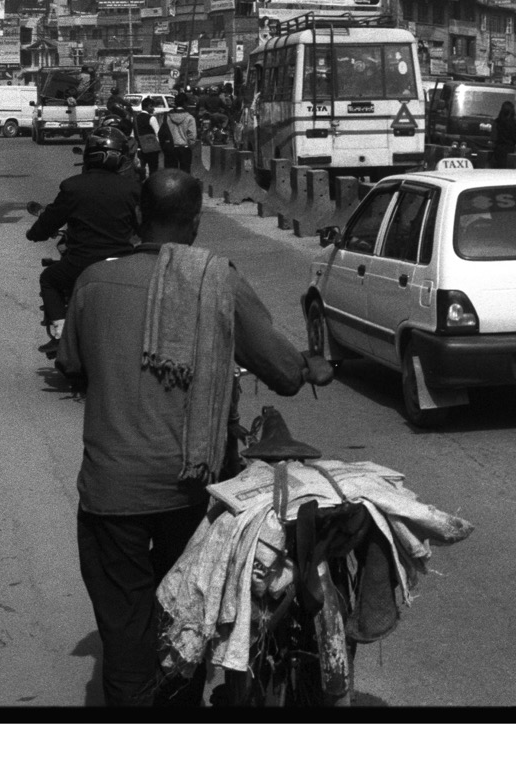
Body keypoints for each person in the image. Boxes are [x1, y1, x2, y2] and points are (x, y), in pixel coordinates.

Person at [58, 170, 333, 706]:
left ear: (139, 217)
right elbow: (282, 372)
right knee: (185, 629)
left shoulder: (92, 280)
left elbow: (72, 364)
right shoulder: (217, 281)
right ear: (195, 223)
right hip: (190, 492)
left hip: (111, 493)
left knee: (126, 641)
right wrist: (308, 367)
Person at [27, 125, 141, 348]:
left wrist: (35, 233)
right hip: (121, 263)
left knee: (48, 278)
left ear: (89, 155)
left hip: (81, 264)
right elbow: (142, 225)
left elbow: (49, 221)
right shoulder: (133, 189)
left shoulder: (73, 187)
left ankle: (60, 331)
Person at [162, 95, 198, 172]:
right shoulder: (190, 117)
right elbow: (192, 135)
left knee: (171, 173)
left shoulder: (167, 116)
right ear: (185, 103)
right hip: (185, 148)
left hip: (171, 147)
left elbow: (162, 132)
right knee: (185, 173)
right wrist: (191, 145)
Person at [132, 96, 165, 177]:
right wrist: (159, 146)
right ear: (148, 106)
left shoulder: (135, 119)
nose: (153, 109)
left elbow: (133, 133)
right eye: (152, 106)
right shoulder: (152, 118)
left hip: (140, 147)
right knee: (153, 170)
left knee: (141, 169)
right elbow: (158, 133)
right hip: (152, 148)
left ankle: (141, 182)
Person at [491, 99, 516, 164]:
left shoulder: (497, 122)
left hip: (498, 151)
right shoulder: (513, 123)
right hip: (510, 151)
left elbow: (493, 137)